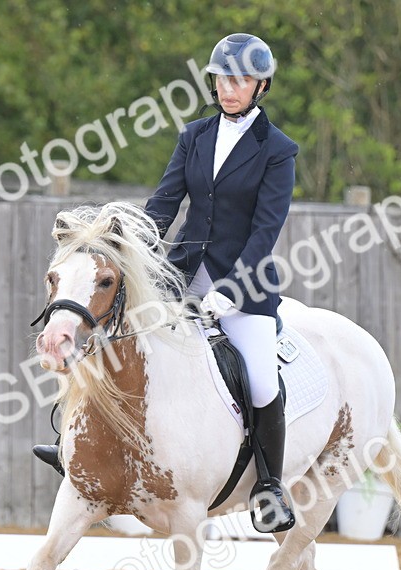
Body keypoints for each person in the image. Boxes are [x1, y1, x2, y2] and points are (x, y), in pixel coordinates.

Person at [34, 33, 298, 533]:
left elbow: (266, 231)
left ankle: (269, 486)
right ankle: (74, 445)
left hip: (245, 287)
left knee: (263, 381)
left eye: (240, 81)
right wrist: (125, 246)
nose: (229, 89)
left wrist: (231, 291)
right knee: (112, 342)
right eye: (222, 79)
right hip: (180, 275)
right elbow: (162, 205)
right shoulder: (194, 136)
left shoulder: (279, 150)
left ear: (261, 86)